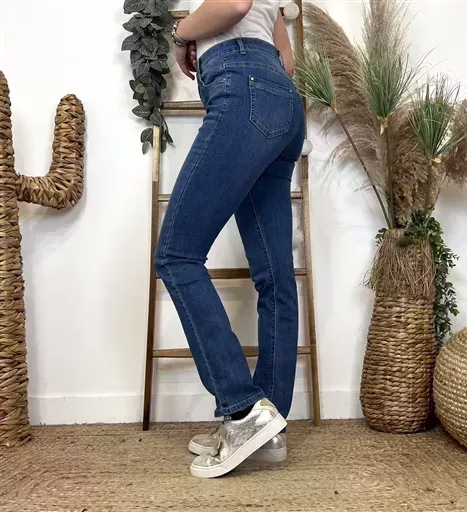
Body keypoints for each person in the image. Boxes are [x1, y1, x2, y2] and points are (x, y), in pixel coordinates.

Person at [155, 0, 305, 479]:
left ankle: (242, 411)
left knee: (177, 255)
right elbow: (287, 60)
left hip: (244, 87)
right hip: (282, 100)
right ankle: (269, 427)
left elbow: (233, 4)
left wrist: (182, 34)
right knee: (275, 277)